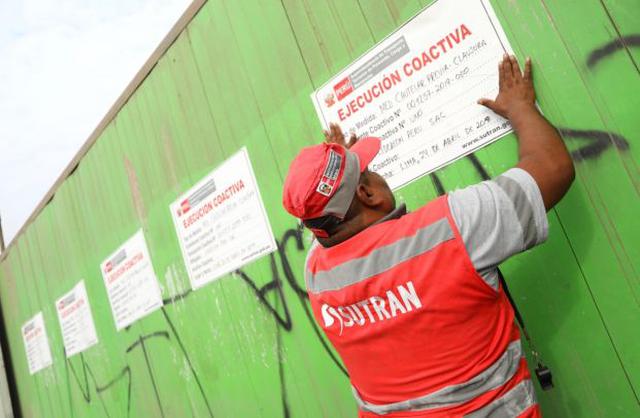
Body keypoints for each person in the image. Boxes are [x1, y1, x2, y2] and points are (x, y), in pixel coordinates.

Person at [282, 55, 574, 417]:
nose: (375, 173)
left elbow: (325, 225)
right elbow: (553, 169)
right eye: (370, 171)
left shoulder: (316, 274)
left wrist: (333, 177)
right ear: (368, 194)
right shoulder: (448, 229)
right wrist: (519, 108)